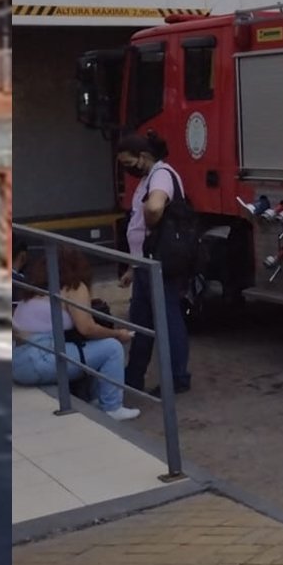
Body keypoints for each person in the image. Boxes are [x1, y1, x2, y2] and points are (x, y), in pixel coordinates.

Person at [11, 245, 140, 421]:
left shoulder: (34, 290)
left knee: (94, 349)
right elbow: (87, 328)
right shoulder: (73, 287)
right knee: (111, 348)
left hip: (18, 362)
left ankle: (97, 401)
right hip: (40, 359)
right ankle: (112, 407)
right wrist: (117, 334)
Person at [117, 130, 192, 396]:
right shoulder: (149, 176)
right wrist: (131, 266)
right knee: (141, 322)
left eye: (129, 164)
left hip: (159, 264)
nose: (128, 170)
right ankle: (134, 376)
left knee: (167, 320)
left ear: (144, 156)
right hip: (144, 265)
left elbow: (154, 208)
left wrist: (149, 228)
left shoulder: (161, 174)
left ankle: (176, 378)